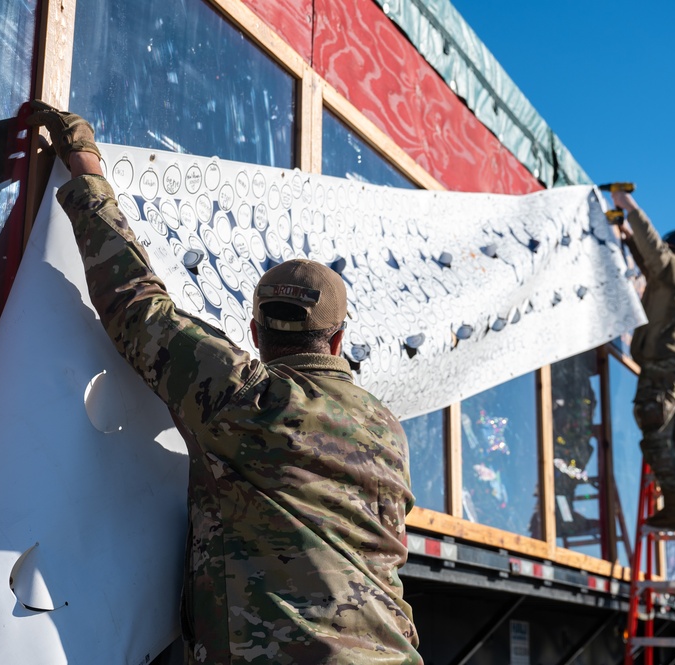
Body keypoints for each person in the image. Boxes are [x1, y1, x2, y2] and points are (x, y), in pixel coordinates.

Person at [27, 101, 422, 665]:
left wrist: (85, 165)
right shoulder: (386, 429)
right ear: (337, 342)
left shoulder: (248, 399)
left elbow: (136, 304)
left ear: (256, 332)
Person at [612, 190, 675, 530]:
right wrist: (625, 233)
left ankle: (673, 506)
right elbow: (650, 264)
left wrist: (629, 206)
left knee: (657, 429)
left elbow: (654, 252)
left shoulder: (674, 271)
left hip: (663, 364)